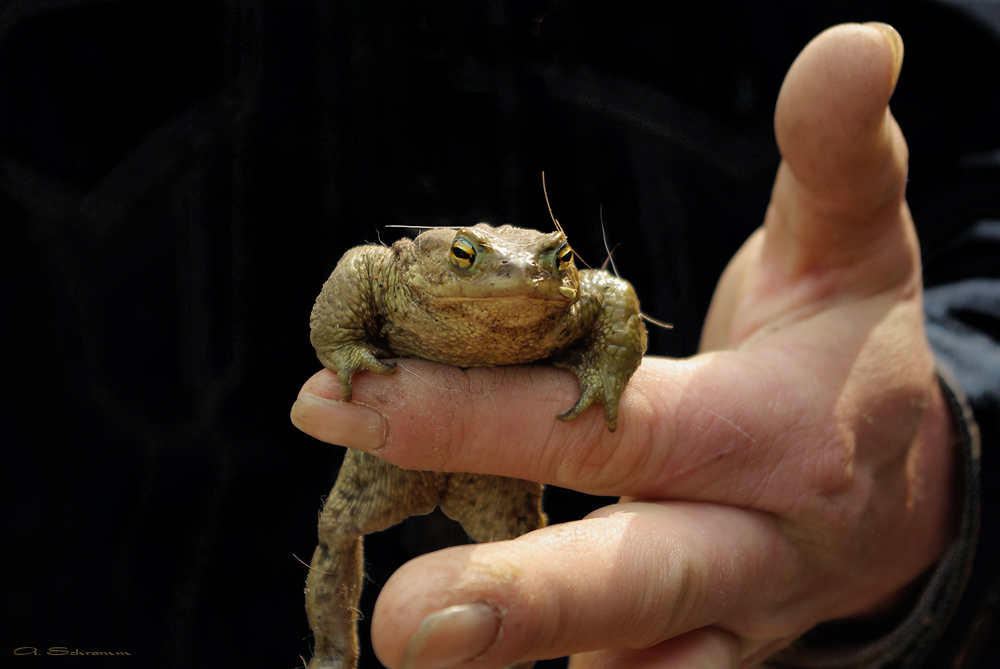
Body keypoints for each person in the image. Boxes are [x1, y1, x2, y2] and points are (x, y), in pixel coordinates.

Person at [292, 20, 997, 669]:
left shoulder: (569, 290)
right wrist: (343, 346)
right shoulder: (407, 271)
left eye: (552, 262)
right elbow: (361, 270)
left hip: (633, 528)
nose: (520, 276)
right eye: (479, 261)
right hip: (244, 558)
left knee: (514, 571)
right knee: (339, 533)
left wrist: (941, 453)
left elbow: (610, 295)